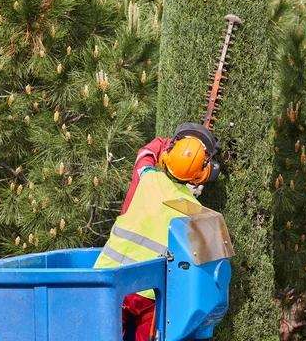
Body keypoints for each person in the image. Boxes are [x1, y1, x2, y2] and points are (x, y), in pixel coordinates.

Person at [93, 123, 221, 341]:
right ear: (203, 175)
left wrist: (166, 143)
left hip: (108, 281)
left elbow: (145, 154)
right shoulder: (195, 213)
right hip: (149, 294)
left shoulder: (148, 179)